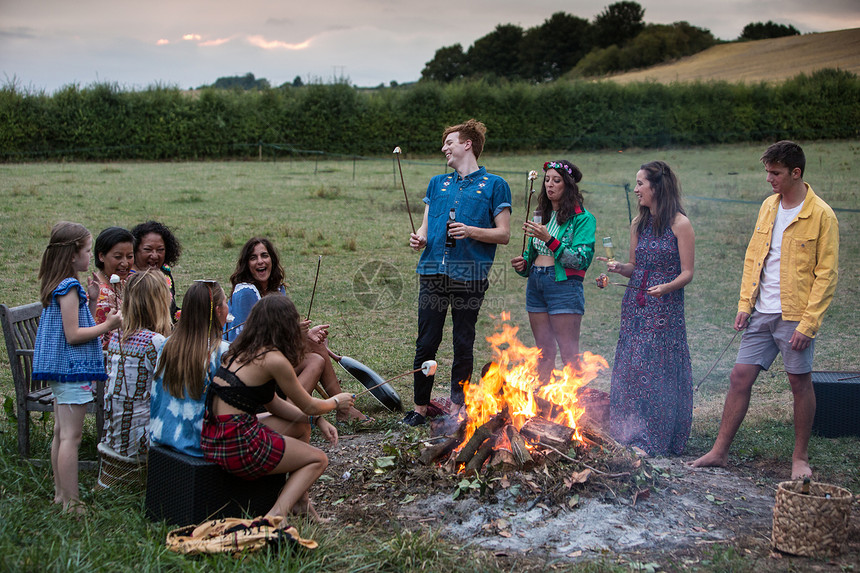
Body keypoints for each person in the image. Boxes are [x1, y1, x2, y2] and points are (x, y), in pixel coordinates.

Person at [692, 141, 839, 479]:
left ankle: (799, 457)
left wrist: (809, 323)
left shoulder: (822, 215)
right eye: (768, 172)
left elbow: (827, 275)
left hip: (795, 315)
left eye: (775, 173)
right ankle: (719, 451)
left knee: (799, 383)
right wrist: (745, 305)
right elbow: (752, 257)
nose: (769, 179)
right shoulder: (768, 207)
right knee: (738, 377)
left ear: (796, 173)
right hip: (761, 312)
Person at [201, 295, 355, 523]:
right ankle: (276, 516)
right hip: (237, 445)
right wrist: (335, 402)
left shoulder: (240, 351)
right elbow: (309, 404)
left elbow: (274, 403)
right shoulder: (274, 359)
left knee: (302, 427)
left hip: (214, 437)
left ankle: (301, 503)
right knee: (318, 459)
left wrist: (314, 420)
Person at [404, 119, 512, 426]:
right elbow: (426, 225)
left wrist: (471, 231)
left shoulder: (495, 185)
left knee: (463, 341)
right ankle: (420, 408)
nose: (444, 148)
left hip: (470, 275)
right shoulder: (437, 183)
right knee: (427, 342)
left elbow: (503, 234)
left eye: (449, 143)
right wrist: (421, 237)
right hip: (432, 272)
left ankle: (457, 407)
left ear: (467, 144)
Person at [598, 161, 695, 456]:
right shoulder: (638, 224)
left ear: (657, 187)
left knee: (656, 371)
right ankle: (628, 432)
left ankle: (653, 438)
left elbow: (687, 272)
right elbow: (635, 267)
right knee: (631, 367)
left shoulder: (680, 224)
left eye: (641, 183)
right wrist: (618, 268)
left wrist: (665, 288)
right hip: (635, 306)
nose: (636, 189)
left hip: (664, 308)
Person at [226, 237, 369, 423]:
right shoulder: (245, 292)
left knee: (316, 352)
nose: (260, 261)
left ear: (272, 260)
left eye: (264, 256)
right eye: (253, 258)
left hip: (270, 361)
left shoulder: (276, 288)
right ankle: (296, 414)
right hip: (250, 371)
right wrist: (293, 335)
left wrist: (305, 335)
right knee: (314, 355)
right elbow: (248, 347)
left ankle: (308, 410)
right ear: (247, 264)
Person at [32, 221, 122, 511]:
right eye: (86, 250)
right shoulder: (69, 287)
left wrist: (93, 299)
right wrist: (107, 324)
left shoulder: (59, 285)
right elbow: (73, 335)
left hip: (63, 371)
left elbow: (70, 323)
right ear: (72, 254)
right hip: (73, 370)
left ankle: (61, 494)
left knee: (62, 433)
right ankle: (71, 503)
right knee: (72, 436)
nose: (89, 256)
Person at [511, 160, 596, 381]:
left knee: (569, 354)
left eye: (556, 180)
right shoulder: (542, 216)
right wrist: (524, 265)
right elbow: (534, 254)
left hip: (564, 287)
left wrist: (549, 239)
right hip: (536, 284)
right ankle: (541, 401)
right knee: (543, 352)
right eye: (547, 180)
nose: (549, 185)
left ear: (568, 185)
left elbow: (580, 260)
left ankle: (575, 408)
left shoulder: (583, 219)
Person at [98, 270, 173, 488]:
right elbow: (174, 387)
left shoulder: (117, 336)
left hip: (114, 434)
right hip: (140, 441)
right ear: (158, 302)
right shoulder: (155, 342)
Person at [150, 280, 230, 457]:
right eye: (225, 302)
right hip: (198, 446)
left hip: (162, 437)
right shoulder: (222, 352)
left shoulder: (166, 345)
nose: (227, 308)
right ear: (218, 311)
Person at [87, 226, 135, 349]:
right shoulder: (102, 295)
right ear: (101, 256)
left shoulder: (122, 282)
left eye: (129, 256)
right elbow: (102, 343)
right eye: (118, 257)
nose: (125, 263)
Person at [130, 220, 182, 321]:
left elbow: (172, 311)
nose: (154, 255)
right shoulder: (129, 278)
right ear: (135, 250)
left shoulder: (164, 271)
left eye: (160, 250)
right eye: (148, 250)